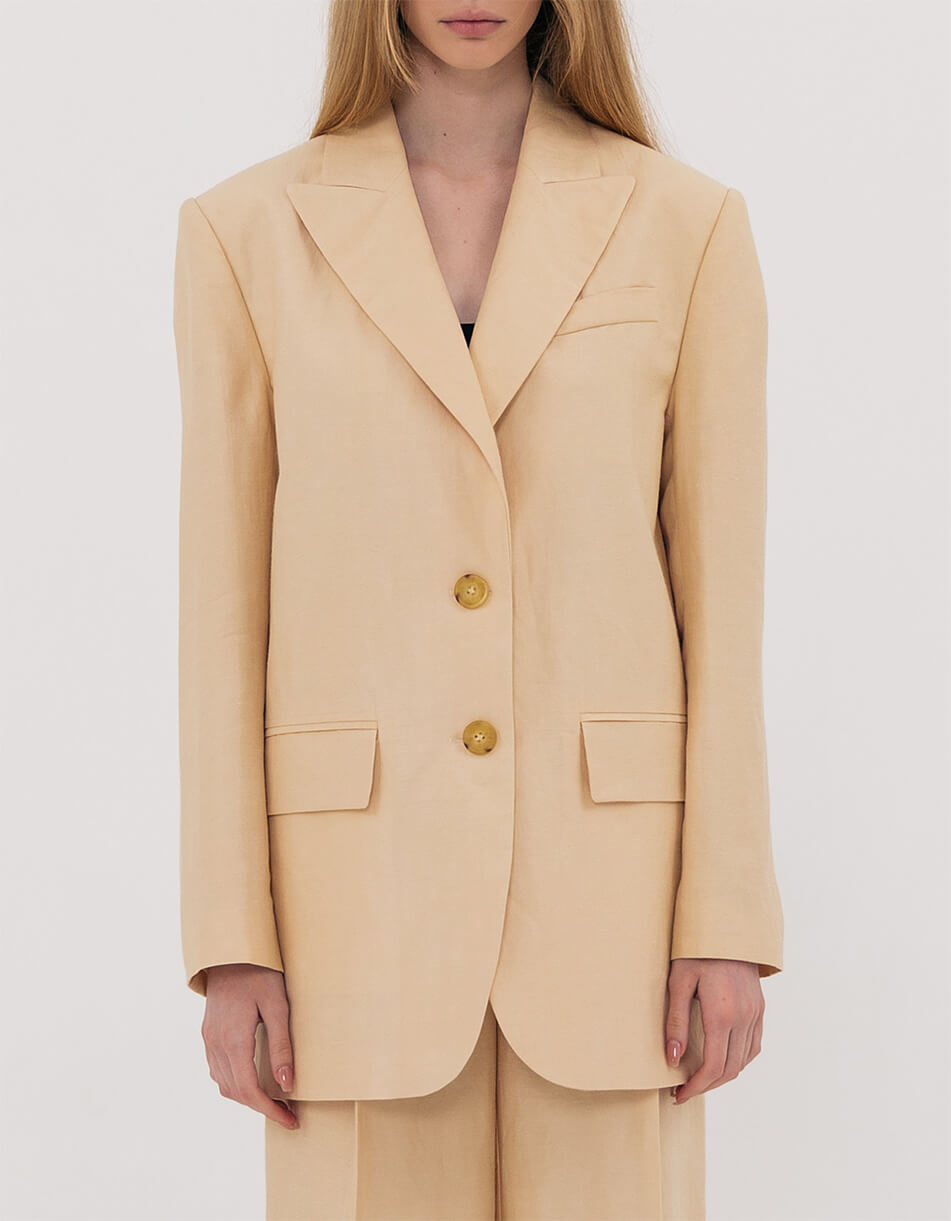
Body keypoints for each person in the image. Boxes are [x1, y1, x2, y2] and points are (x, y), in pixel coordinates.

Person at [172, 2, 785, 1217]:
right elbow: (221, 615)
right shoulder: (246, 232)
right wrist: (231, 938)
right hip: (351, 909)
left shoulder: (687, 225)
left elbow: (723, 606)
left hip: (616, 908)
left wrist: (725, 912)